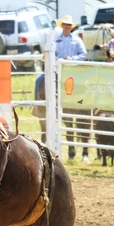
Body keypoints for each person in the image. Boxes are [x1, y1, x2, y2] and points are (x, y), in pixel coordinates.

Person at [34, 15, 87, 161]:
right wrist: (55, 60)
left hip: (71, 70)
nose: (67, 27)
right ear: (62, 25)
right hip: (56, 69)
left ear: (71, 27)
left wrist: (72, 59)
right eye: (65, 24)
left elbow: (83, 54)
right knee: (39, 80)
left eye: (69, 25)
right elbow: (51, 53)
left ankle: (82, 103)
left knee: (81, 84)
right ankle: (38, 104)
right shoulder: (56, 39)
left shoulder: (76, 40)